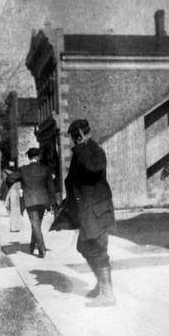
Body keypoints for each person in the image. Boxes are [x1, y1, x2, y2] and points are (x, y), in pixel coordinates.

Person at [51, 119, 117, 307]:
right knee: (84, 247)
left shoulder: (94, 151)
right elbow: (75, 184)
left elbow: (94, 168)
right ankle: (101, 284)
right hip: (88, 212)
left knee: (98, 250)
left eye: (74, 138)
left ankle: (107, 294)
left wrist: (80, 147)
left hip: (97, 211)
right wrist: (65, 206)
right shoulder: (84, 152)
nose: (72, 142)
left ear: (79, 134)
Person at [6, 147, 56, 258]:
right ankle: (33, 246)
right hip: (43, 201)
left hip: (30, 201)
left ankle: (41, 249)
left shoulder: (23, 170)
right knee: (37, 224)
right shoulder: (45, 169)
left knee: (35, 224)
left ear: (29, 157)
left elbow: (9, 179)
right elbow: (51, 186)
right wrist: (52, 202)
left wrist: (17, 187)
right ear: (38, 157)